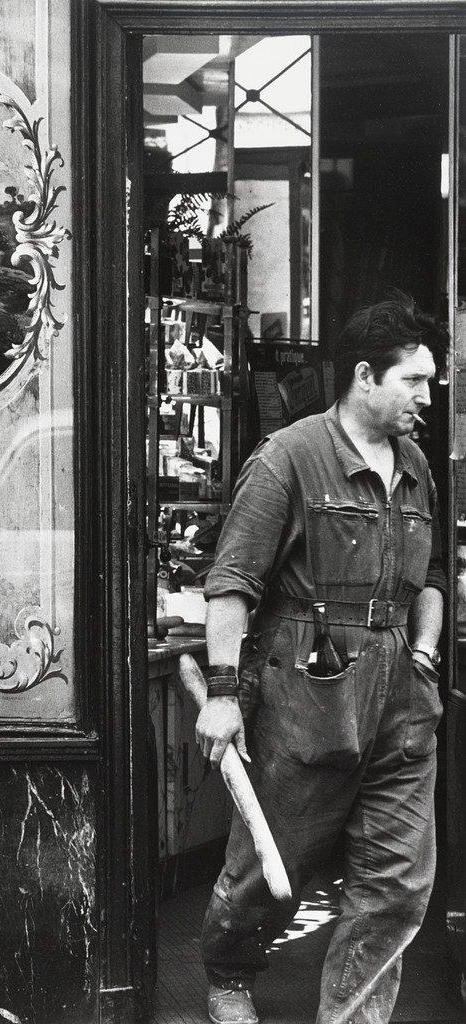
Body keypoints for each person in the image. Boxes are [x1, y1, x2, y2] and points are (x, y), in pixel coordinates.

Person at [197, 294, 449, 1024]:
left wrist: (423, 652)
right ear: (365, 376)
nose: (427, 397)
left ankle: (353, 1014)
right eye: (414, 381)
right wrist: (223, 691)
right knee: (272, 865)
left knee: (397, 881)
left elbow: (432, 576)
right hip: (308, 692)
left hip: (402, 699)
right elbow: (232, 582)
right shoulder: (289, 457)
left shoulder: (416, 465)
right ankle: (229, 971)